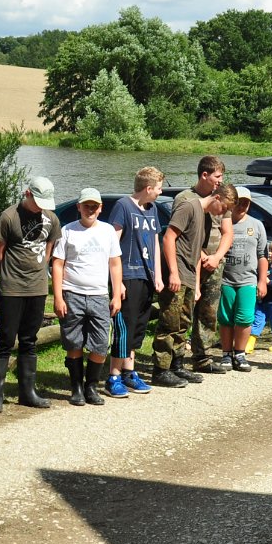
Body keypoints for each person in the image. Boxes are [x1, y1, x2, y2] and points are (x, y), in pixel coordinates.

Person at [152, 166, 233, 388]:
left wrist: (196, 284)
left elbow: (196, 251)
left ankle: (177, 365)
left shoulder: (203, 214)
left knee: (183, 323)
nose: (221, 214)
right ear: (217, 198)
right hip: (177, 272)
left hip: (189, 274)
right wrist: (173, 273)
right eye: (223, 208)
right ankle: (160, 370)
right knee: (169, 322)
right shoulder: (188, 205)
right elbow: (168, 238)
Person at [0, 176, 60, 411]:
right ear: (27, 193)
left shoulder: (51, 218)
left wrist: (39, 272)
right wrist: (9, 275)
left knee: (29, 339)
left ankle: (27, 392)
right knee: (5, 340)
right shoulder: (9, 216)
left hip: (37, 288)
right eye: (37, 202)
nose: (40, 207)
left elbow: (49, 250)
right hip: (12, 288)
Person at [52, 188, 123, 405]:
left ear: (100, 208)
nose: (90, 210)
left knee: (100, 343)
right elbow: (57, 264)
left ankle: (91, 387)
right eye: (86, 206)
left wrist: (116, 294)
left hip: (99, 295)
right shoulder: (67, 231)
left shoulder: (108, 231)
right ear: (79, 207)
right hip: (72, 293)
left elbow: (115, 264)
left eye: (94, 206)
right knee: (74, 343)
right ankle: (76, 388)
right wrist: (58, 297)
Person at [104, 167, 163, 398]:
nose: (160, 192)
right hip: (128, 274)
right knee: (125, 327)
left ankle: (129, 372)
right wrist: (117, 282)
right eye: (158, 188)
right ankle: (114, 376)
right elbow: (113, 244)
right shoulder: (123, 206)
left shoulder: (152, 209)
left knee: (138, 327)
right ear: (148, 188)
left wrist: (158, 275)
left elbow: (155, 242)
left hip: (147, 275)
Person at [185, 157, 234, 374]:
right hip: (190, 262)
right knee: (185, 310)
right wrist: (202, 255)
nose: (220, 180)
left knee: (209, 313)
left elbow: (228, 233)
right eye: (217, 176)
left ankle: (202, 358)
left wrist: (216, 257)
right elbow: (183, 235)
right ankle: (177, 358)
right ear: (205, 175)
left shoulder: (222, 197)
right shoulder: (187, 198)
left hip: (214, 264)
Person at [217, 185, 268, 372]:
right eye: (239, 202)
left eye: (246, 203)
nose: (243, 206)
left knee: (245, 318)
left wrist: (262, 281)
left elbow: (263, 255)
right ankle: (226, 353)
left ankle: (240, 353)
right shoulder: (223, 222)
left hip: (248, 280)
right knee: (225, 318)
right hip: (225, 279)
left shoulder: (256, 225)